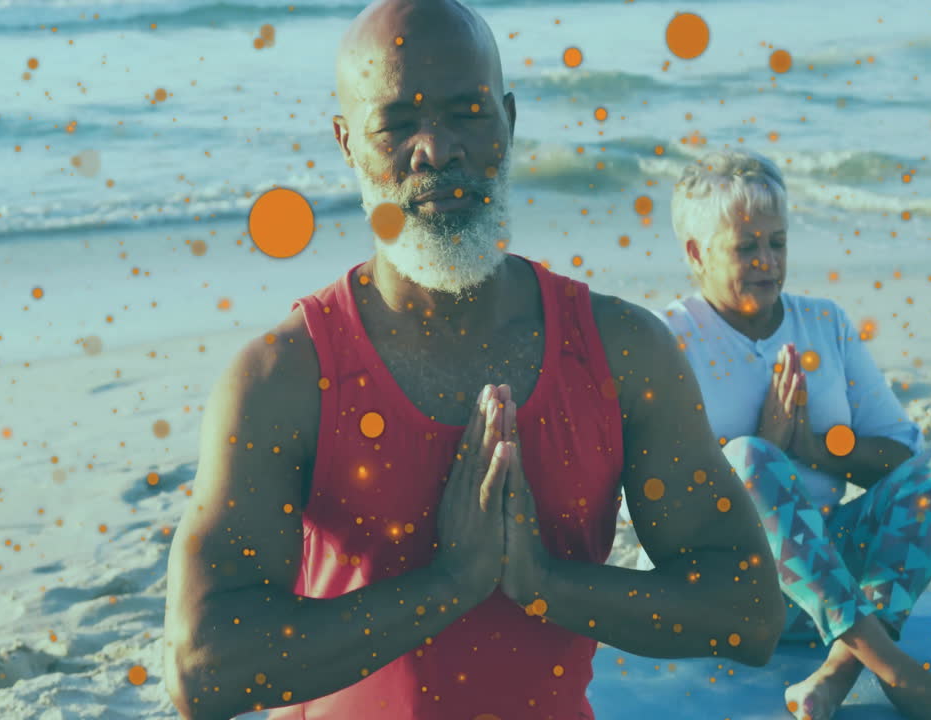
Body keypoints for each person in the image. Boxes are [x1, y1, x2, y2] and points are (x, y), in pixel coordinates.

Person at [161, 3, 786, 719]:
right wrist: (451, 583)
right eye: (396, 124)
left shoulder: (621, 353)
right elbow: (202, 671)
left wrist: (543, 583)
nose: (437, 149)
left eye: (468, 112)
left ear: (509, 124)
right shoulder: (286, 378)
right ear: (346, 145)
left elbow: (750, 612)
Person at [645, 148, 931, 720]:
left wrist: (815, 448)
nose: (767, 262)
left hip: (829, 587)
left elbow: (902, 457)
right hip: (729, 594)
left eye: (777, 243)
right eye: (746, 247)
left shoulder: (823, 324)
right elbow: (661, 498)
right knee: (747, 457)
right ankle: (901, 675)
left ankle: (837, 671)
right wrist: (765, 453)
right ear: (696, 254)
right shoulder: (669, 342)